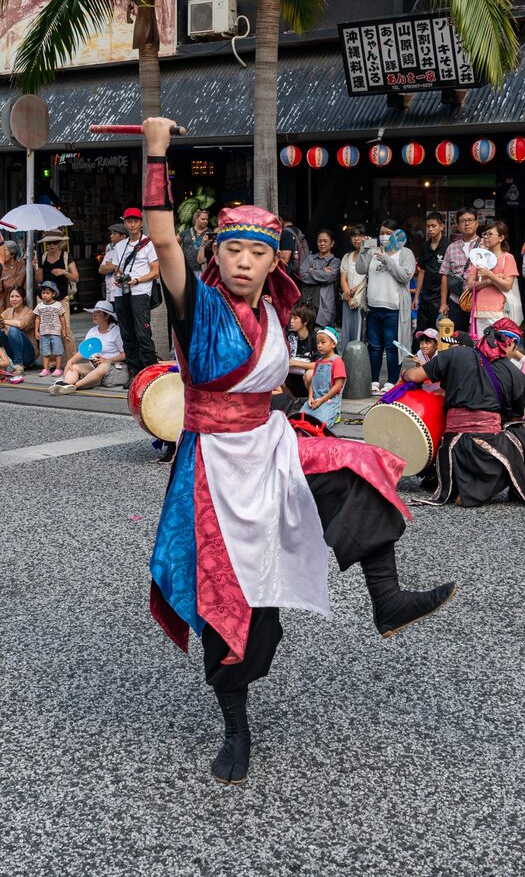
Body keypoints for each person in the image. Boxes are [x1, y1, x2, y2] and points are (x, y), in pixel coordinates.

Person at [141, 117, 456, 787]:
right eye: (232, 251)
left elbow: (273, 381)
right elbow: (162, 235)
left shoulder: (275, 314)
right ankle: (235, 726)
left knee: (361, 467)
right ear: (216, 257)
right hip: (213, 470)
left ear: (272, 260)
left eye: (257, 252)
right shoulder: (198, 306)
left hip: (269, 446)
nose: (244, 262)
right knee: (241, 621)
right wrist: (158, 149)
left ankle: (387, 599)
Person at [403, 318, 525, 507]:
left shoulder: (455, 354)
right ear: (512, 344)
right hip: (489, 448)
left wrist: (403, 375)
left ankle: (456, 482)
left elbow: (413, 376)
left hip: (452, 449)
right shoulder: (515, 374)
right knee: (519, 432)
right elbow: (515, 418)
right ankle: (481, 489)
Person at [356, 219, 416, 395]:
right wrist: (363, 250)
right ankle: (374, 380)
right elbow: (360, 269)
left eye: (389, 234)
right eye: (382, 232)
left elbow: (405, 276)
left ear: (398, 235)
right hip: (374, 307)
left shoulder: (405, 253)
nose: (384, 236)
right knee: (374, 347)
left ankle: (391, 380)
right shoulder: (373, 250)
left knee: (392, 347)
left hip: (394, 308)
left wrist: (388, 260)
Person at [110, 207, 159, 382]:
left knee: (142, 334)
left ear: (140, 223)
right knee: (127, 335)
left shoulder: (148, 243)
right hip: (122, 293)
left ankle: (150, 372)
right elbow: (117, 270)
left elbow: (155, 271)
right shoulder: (120, 246)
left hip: (140, 292)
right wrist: (118, 278)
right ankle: (134, 373)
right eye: (129, 221)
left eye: (135, 221)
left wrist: (137, 280)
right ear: (124, 223)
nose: (132, 224)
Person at [50, 300, 128, 395]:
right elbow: (84, 351)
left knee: (102, 367)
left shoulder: (116, 331)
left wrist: (107, 360)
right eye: (94, 312)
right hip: (93, 366)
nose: (94, 314)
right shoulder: (92, 331)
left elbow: (125, 354)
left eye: (98, 312)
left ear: (107, 316)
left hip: (112, 366)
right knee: (74, 367)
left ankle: (75, 386)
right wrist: (71, 360)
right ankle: (66, 384)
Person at [466, 221, 520, 339]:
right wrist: (489, 280)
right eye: (485, 234)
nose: (486, 237)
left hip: (499, 311)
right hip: (478, 311)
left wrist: (489, 274)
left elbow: (507, 286)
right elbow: (470, 285)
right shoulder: (479, 258)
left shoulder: (508, 258)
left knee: (497, 348)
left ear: (501, 238)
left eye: (490, 234)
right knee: (480, 347)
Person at [33, 229, 79, 362]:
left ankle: (72, 361)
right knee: (48, 330)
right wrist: (36, 267)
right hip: (45, 299)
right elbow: (39, 280)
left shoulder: (66, 256)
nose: (52, 245)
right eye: (49, 243)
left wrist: (64, 272)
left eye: (55, 242)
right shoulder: (43, 257)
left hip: (61, 297)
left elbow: (76, 277)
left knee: (66, 331)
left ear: (60, 243)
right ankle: (52, 362)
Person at [439, 207, 480, 332]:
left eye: (470, 220)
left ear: (477, 223)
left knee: (479, 338)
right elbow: (445, 275)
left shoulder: (485, 245)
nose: (467, 223)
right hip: (457, 301)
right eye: (462, 221)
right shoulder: (452, 247)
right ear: (457, 225)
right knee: (456, 338)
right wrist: (443, 303)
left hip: (480, 301)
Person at [413, 212, 449, 339]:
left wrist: (445, 302)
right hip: (426, 296)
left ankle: (437, 358)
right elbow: (422, 271)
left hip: (441, 297)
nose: (430, 229)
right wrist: (416, 297)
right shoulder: (424, 246)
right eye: (428, 226)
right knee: (422, 330)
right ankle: (421, 357)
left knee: (438, 331)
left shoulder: (448, 246)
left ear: (442, 227)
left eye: (434, 226)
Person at [300, 326, 346, 427]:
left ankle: (335, 414)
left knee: (319, 423)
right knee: (301, 418)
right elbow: (313, 382)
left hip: (330, 401)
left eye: (323, 342)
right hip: (316, 399)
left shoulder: (337, 361)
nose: (319, 345)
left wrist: (322, 400)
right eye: (317, 343)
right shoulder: (318, 362)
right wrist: (310, 397)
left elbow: (338, 385)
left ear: (333, 344)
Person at [299, 229, 340, 327]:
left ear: (332, 243)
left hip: (325, 304)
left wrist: (312, 271)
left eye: (325, 241)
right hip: (309, 302)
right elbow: (303, 276)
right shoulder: (310, 258)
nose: (322, 244)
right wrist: (322, 272)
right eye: (319, 241)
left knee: (324, 334)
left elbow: (329, 277)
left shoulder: (335, 261)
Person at [340, 224, 367, 350]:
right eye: (354, 236)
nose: (356, 239)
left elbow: (367, 278)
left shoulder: (369, 256)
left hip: (362, 299)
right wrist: (347, 294)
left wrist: (354, 291)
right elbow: (343, 278)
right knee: (347, 330)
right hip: (348, 299)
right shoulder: (347, 256)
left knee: (359, 331)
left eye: (360, 235)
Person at [0, 286, 37, 374]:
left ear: (23, 298)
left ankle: (19, 365)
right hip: (11, 352)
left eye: (17, 296)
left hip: (28, 354)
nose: (14, 299)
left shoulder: (29, 312)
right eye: (12, 296)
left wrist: (4, 321)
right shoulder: (8, 311)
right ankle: (5, 361)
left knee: (13, 330)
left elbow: (21, 324)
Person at [285, 302, 319, 397]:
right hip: (289, 378)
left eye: (295, 318)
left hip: (306, 381)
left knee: (310, 374)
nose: (291, 321)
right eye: (291, 317)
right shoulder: (289, 336)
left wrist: (295, 363)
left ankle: (313, 399)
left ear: (305, 321)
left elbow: (318, 364)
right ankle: (291, 400)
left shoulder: (315, 338)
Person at [33, 281, 66, 377]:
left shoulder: (58, 305)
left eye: (47, 293)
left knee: (57, 352)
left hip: (55, 332)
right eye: (43, 293)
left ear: (53, 294)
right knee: (45, 352)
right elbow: (37, 318)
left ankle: (58, 369)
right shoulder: (40, 306)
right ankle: (46, 369)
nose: (45, 295)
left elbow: (62, 317)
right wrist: (36, 331)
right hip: (44, 333)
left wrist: (64, 329)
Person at [99, 223, 128, 302]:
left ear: (123, 236)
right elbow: (101, 270)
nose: (111, 236)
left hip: (124, 293)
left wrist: (111, 265)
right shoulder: (110, 253)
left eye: (114, 234)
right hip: (110, 294)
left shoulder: (129, 252)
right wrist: (115, 266)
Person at [178, 209, 210, 278]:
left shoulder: (209, 233)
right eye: (203, 219)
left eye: (207, 219)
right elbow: (174, 242)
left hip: (202, 270)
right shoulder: (186, 232)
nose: (205, 221)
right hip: (186, 269)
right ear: (196, 219)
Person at [0, 240, 26, 311]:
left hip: (24, 308)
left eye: (5, 251)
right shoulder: (1, 270)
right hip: (7, 309)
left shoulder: (24, 266)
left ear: (13, 254)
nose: (1, 254)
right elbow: (0, 295)